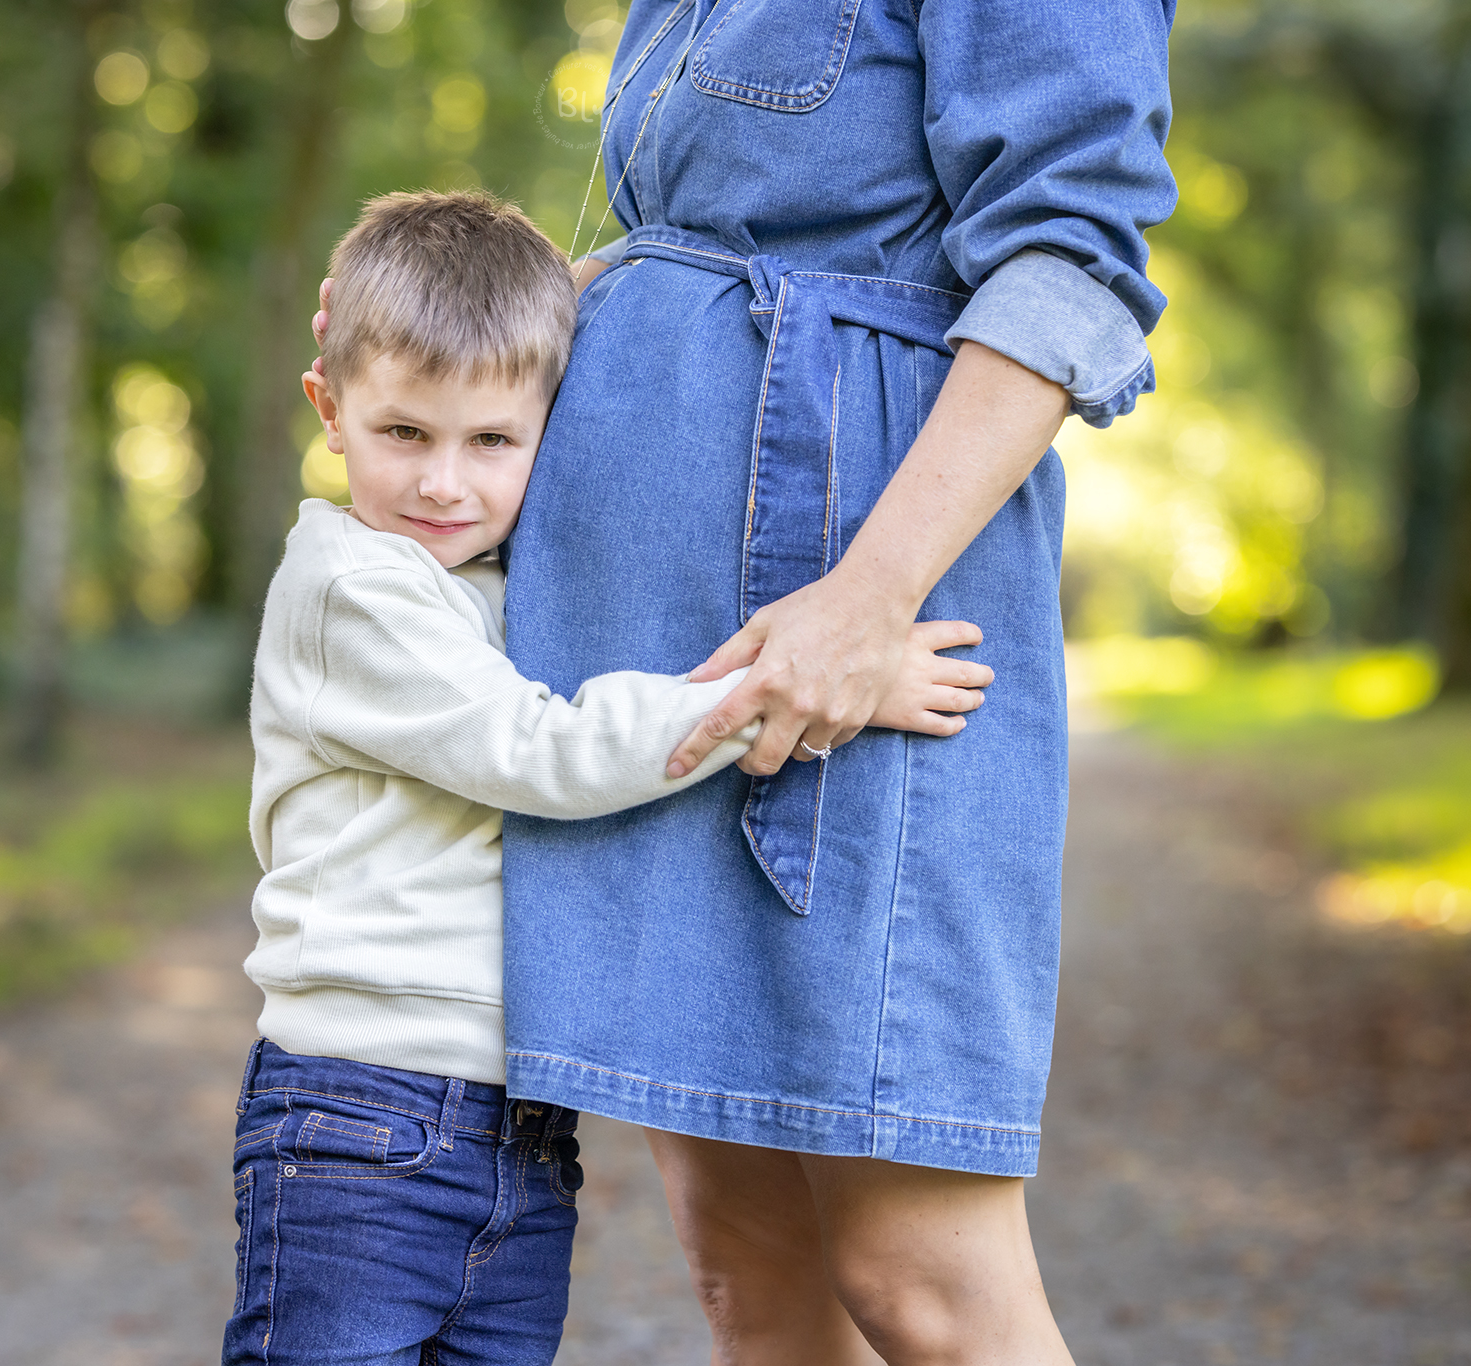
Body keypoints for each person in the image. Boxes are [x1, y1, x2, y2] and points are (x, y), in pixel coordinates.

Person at [491, 2, 1182, 1362]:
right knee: (745, 1258)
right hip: (660, 651)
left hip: (863, 606)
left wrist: (869, 599)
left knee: (924, 1275)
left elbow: (1070, 248)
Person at [227, 189, 996, 1366]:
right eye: (404, 434)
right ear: (328, 410)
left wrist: (576, 283)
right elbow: (548, 749)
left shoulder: (476, 581)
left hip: (519, 1132)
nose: (445, 482)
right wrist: (795, 687)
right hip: (358, 1116)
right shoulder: (350, 589)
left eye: (492, 440)